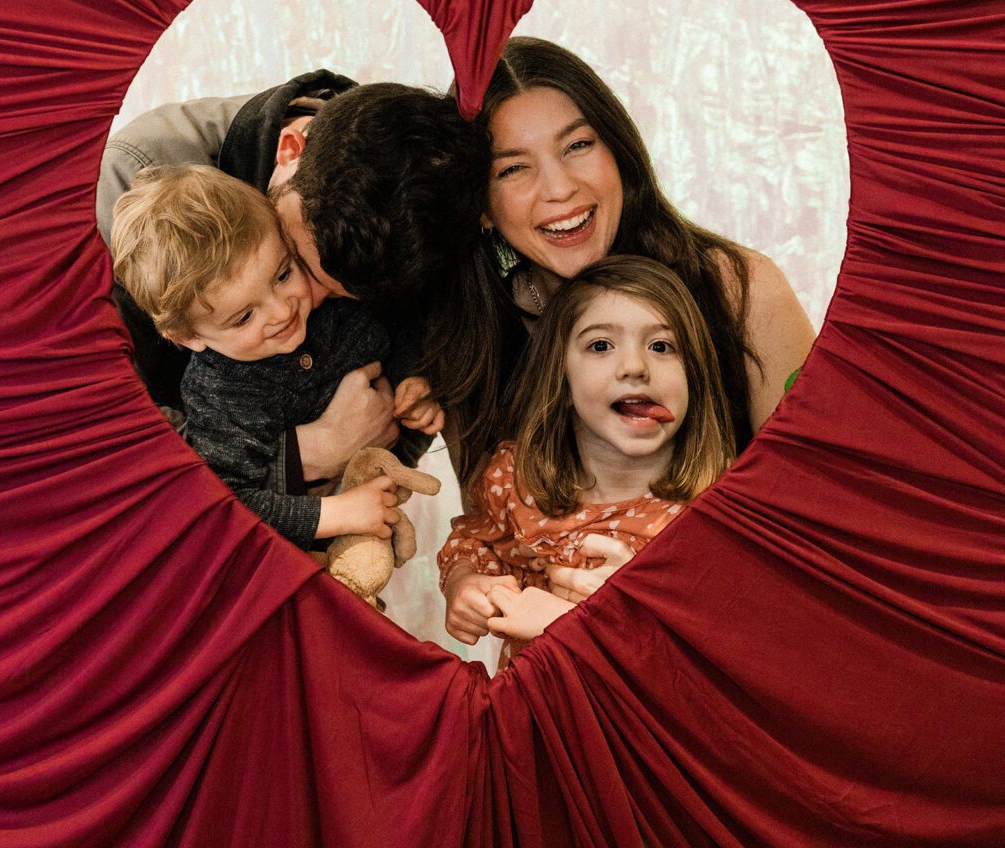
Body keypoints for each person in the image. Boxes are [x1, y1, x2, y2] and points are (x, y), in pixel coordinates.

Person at [421, 36, 816, 492]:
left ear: (619, 153)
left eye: (577, 145)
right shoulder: (469, 340)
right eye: (512, 169)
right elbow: (487, 525)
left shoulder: (741, 290)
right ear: (480, 206)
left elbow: (815, 497)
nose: (559, 189)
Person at [98, 69, 485, 485]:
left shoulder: (422, 215)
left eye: (344, 297)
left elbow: (414, 374)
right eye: (293, 262)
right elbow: (99, 432)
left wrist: (410, 399)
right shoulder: (128, 183)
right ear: (289, 149)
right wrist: (305, 456)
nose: (300, 303)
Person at [111, 165, 443, 549]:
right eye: (245, 317)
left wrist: (412, 383)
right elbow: (229, 503)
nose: (283, 311)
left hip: (378, 495)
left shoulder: (329, 302)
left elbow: (395, 329)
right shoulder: (220, 396)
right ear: (189, 337)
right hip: (304, 550)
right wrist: (333, 514)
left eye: (282, 275)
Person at [437, 256, 734, 667]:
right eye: (601, 346)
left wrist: (581, 622)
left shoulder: (718, 510)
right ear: (560, 379)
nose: (635, 367)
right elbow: (476, 540)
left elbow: (719, 648)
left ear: (694, 378)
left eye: (661, 346)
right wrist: (465, 582)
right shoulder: (517, 480)